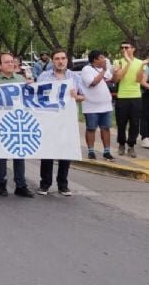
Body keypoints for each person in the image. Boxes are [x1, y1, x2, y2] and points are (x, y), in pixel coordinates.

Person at [36, 49, 85, 196]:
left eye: (63, 58)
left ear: (67, 60)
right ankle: (45, 184)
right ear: (52, 61)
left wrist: (76, 96)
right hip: (49, 119)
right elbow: (37, 95)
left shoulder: (74, 77)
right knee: (48, 152)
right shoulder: (44, 76)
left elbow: (83, 96)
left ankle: (63, 184)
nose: (60, 61)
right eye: (57, 58)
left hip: (67, 120)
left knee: (66, 152)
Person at [0, 52, 34, 198]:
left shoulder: (20, 79)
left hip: (18, 122)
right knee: (1, 156)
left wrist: (31, 87)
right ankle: (1, 185)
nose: (11, 64)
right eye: (7, 62)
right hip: (1, 123)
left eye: (12, 62)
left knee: (19, 154)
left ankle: (21, 185)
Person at [80, 50, 115, 162]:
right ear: (95, 59)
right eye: (101, 57)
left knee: (106, 128)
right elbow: (93, 83)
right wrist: (104, 70)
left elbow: (111, 80)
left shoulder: (104, 70)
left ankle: (107, 151)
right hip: (91, 105)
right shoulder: (87, 70)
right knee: (91, 128)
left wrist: (115, 72)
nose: (104, 59)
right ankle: (91, 151)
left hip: (106, 105)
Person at [112, 40, 145, 158]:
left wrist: (137, 64)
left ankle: (131, 145)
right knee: (121, 123)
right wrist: (128, 63)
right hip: (122, 96)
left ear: (133, 49)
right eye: (122, 48)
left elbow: (139, 80)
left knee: (135, 123)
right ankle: (121, 143)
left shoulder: (140, 62)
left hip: (136, 96)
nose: (124, 50)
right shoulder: (118, 62)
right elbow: (117, 79)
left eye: (127, 47)